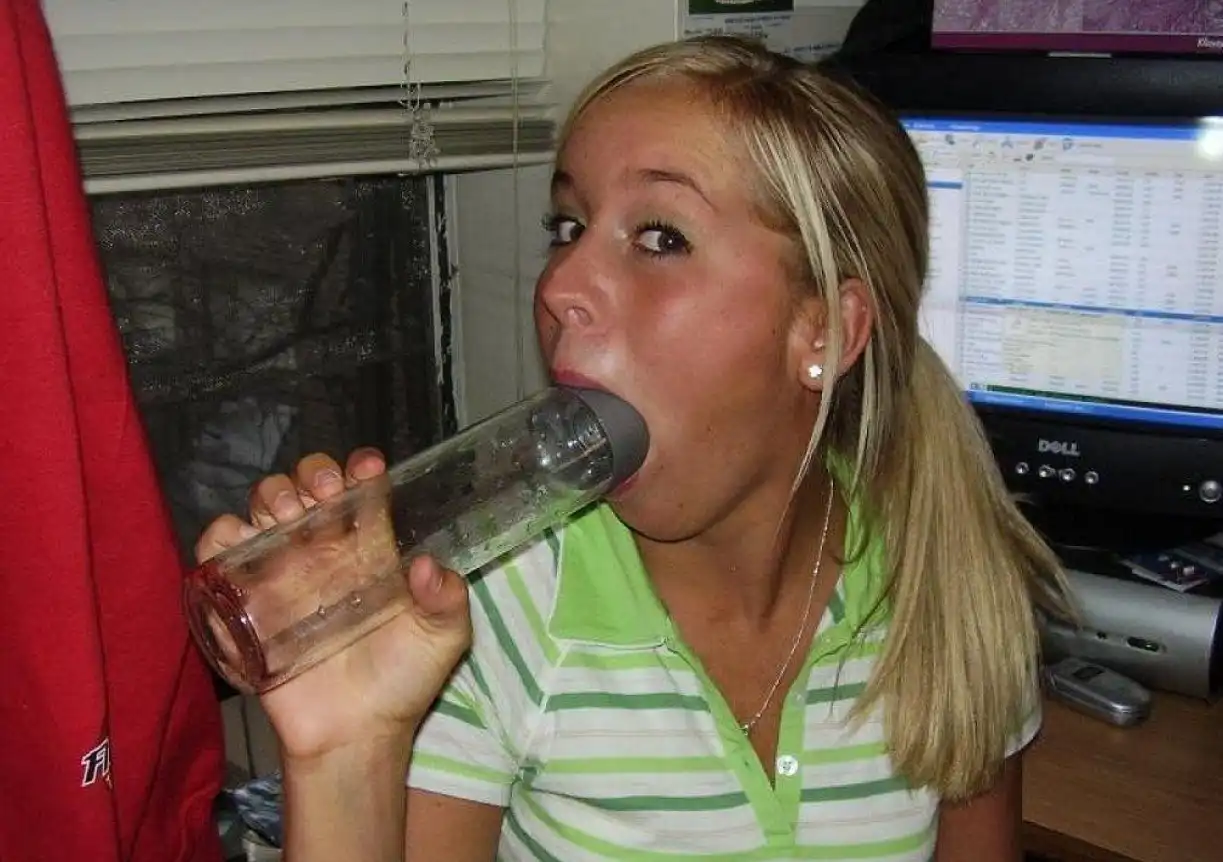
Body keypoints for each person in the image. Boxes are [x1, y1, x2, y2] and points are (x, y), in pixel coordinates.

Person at [196, 34, 1070, 862]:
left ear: (823, 331)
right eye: (567, 227)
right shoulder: (482, 611)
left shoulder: (944, 587)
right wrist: (344, 753)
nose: (559, 285)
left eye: (660, 238)